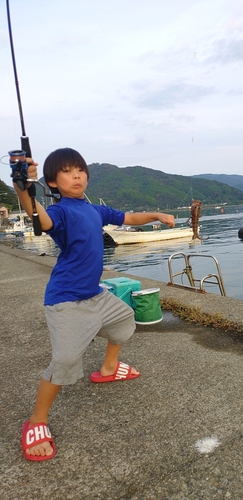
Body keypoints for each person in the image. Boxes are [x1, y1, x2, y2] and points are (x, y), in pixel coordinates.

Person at [13, 147, 175, 461]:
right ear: (53, 183)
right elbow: (41, 219)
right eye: (67, 171)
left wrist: (156, 215)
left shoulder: (93, 210)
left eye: (80, 170)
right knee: (65, 361)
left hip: (95, 294)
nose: (77, 176)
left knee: (126, 319)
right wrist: (23, 186)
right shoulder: (59, 211)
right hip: (66, 302)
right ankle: (36, 421)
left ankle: (109, 367)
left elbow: (128, 218)